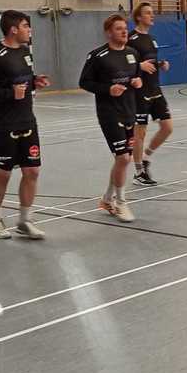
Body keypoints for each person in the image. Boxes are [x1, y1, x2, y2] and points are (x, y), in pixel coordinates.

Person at [0, 10, 50, 240]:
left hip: (27, 120)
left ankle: (25, 221)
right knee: (3, 174)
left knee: (32, 171)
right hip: (2, 124)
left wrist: (35, 82)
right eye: (26, 26)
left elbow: (21, 82)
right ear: (13, 29)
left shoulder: (25, 52)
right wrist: (9, 94)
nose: (29, 30)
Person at [79, 13, 143, 222]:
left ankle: (107, 198)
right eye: (118, 28)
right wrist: (108, 89)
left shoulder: (132, 53)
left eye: (125, 28)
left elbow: (136, 75)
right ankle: (121, 203)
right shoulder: (97, 56)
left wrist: (137, 81)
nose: (124, 31)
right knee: (123, 158)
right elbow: (84, 82)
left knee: (122, 159)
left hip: (129, 110)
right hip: (109, 113)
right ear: (108, 33)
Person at [128, 2, 172, 185]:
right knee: (140, 133)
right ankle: (139, 172)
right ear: (139, 17)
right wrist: (139, 66)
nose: (152, 15)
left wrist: (160, 64)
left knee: (167, 127)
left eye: (152, 13)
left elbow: (150, 61)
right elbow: (124, 63)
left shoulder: (151, 39)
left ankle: (145, 158)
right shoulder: (131, 38)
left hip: (155, 88)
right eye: (147, 13)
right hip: (139, 91)